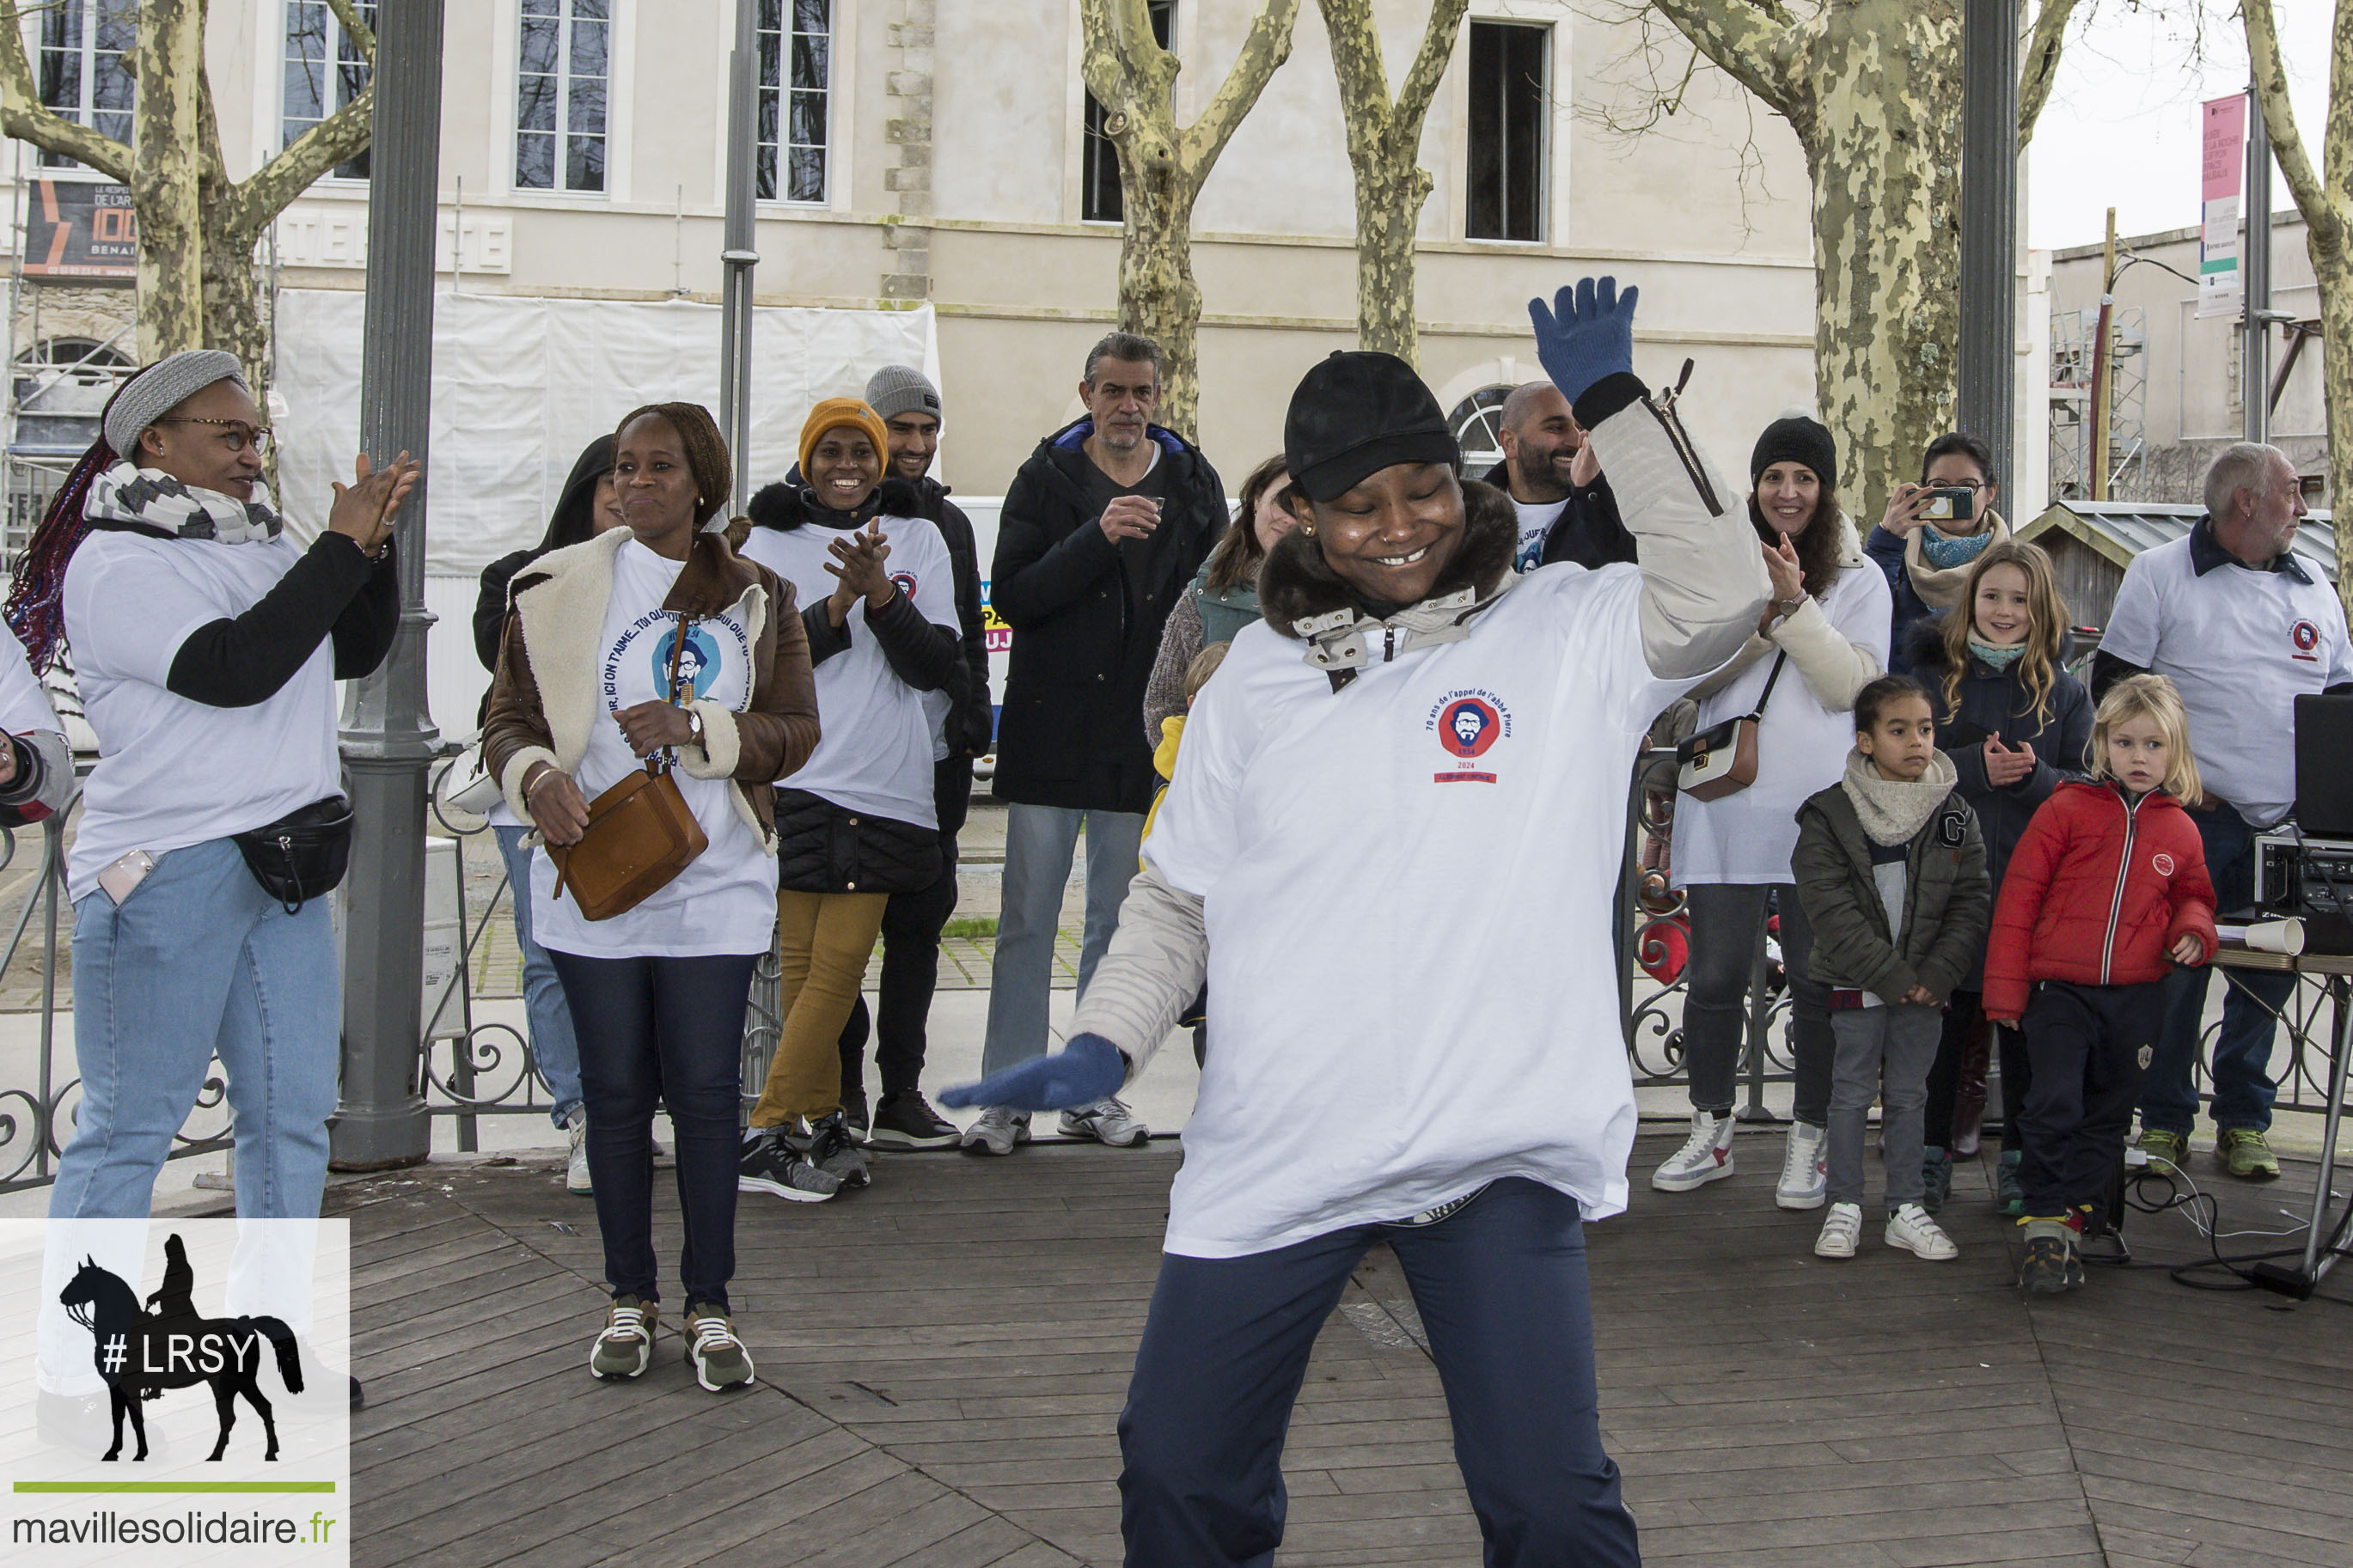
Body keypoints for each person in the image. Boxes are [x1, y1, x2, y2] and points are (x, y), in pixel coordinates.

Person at [943, 277, 1769, 1567]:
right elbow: (1179, 895)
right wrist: (1104, 1038)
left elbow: (1721, 594)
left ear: (1463, 478)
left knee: (1552, 1510)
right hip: (1281, 1153)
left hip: (1489, 1154)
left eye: (1422, 491)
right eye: (1358, 506)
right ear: (1309, 520)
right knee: (1176, 1479)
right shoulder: (1255, 680)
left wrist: (1615, 397)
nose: (1399, 528)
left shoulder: (1566, 629)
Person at [11, 350, 409, 1430]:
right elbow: (235, 667)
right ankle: (70, 1372)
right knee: (129, 1131)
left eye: (253, 435)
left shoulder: (263, 537)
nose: (251, 452)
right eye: (228, 435)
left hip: (280, 861)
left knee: (289, 1121)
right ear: (157, 441)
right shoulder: (114, 559)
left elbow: (347, 649)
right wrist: (335, 543)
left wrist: (376, 545)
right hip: (169, 874)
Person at [483, 401, 819, 1391]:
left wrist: (701, 727)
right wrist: (536, 775)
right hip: (596, 878)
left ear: (703, 484)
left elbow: (795, 732)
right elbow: (505, 715)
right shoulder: (551, 586)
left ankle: (709, 1304)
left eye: (660, 467)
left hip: (714, 880)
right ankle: (626, 1298)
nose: (636, 483)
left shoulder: (760, 595)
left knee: (710, 1099)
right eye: (624, 466)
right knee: (618, 1100)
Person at [970, 332, 1223, 1156]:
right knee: (1026, 920)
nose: (1127, 406)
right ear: (1086, 395)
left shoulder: (1193, 482)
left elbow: (1219, 594)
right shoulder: (1043, 479)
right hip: (1050, 735)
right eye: (1112, 391)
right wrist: (1096, 536)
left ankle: (1092, 1092)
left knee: (1119, 925)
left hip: (1142, 745)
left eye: (1141, 391)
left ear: (1159, 395)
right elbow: (1013, 595)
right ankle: (1007, 1097)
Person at [1651, 410, 1892, 1208]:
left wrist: (1795, 607)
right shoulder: (1719, 571)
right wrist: (1757, 615)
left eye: (1804, 478)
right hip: (1725, 805)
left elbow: (1853, 688)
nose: (1788, 492)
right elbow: (1685, 676)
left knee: (1820, 982)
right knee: (1715, 975)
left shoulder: (1861, 577)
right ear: (1754, 488)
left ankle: (1810, 1139)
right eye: (1774, 477)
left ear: (1825, 491)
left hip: (1819, 811)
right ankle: (1711, 1127)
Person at [2095, 442, 2353, 1180]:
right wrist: (2172, 776)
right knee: (2178, 973)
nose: (2302, 507)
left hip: (2292, 824)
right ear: (2246, 501)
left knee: (2271, 976)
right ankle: (2165, 1120)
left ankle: (2245, 1120)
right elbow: (2115, 683)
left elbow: (2340, 703)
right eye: (2292, 493)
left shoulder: (2316, 588)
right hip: (2194, 816)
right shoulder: (2160, 572)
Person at [736, 399, 964, 1195]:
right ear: (805, 459)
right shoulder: (766, 544)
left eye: (862, 452)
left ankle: (769, 1126)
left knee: (837, 967)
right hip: (796, 774)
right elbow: (757, 668)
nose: (849, 465)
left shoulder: (920, 537)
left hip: (888, 783)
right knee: (802, 968)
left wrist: (881, 596)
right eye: (831, 450)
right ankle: (814, 1120)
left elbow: (935, 664)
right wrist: (834, 608)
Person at [1984, 674, 2217, 1293]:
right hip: (2059, 992)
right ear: (2103, 744)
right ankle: (2041, 1223)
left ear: (2177, 752)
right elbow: (2018, 900)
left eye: (2154, 745)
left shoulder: (2182, 830)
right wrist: (2005, 992)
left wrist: (2195, 928)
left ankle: (2074, 1222)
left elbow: (2196, 895)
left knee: (2108, 1117)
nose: (2139, 757)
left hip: (2138, 998)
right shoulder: (2065, 806)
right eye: (2125, 742)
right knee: (2052, 1102)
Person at [826, 365, 993, 1151]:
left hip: (935, 760)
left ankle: (901, 1090)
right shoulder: (827, 518)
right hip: (854, 765)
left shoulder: (948, 525)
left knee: (919, 929)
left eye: (928, 430)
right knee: (843, 933)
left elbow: (964, 623)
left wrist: (974, 711)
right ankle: (841, 1090)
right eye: (902, 430)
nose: (916, 446)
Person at [1903, 540, 2092, 1215]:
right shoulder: (1933, 678)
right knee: (1942, 1031)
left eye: (2019, 600)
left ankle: (2022, 1160)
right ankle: (1925, 1160)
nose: (2004, 611)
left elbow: (2088, 785)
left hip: (2030, 891)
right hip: (1946, 886)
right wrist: (1973, 769)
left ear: (2041, 610)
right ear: (1970, 601)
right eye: (1992, 596)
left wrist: (2039, 779)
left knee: (2024, 1036)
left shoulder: (2066, 693)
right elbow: (1900, 766)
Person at [1790, 675, 1989, 1262]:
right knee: (1849, 1093)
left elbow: (1971, 899)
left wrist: (1939, 971)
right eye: (1898, 730)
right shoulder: (1829, 814)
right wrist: (1896, 978)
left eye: (1925, 729)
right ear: (1866, 740)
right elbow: (1829, 908)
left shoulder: (1954, 812)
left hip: (1927, 988)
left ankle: (1906, 1206)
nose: (1916, 742)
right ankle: (1844, 1204)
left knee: (1910, 1095)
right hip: (1860, 981)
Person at [472, 434, 626, 1194]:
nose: (628, 501)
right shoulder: (517, 576)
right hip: (535, 791)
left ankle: (627, 1106)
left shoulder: (666, 581)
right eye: (613, 487)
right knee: (547, 955)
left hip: (632, 795)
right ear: (583, 495)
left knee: (630, 949)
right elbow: (499, 667)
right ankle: (581, 1116)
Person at [1141, 455, 1291, 742]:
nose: (1288, 519)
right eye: (1282, 503)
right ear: (1258, 498)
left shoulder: (1341, 591)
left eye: (1304, 509)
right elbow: (1163, 705)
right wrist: (1185, 769)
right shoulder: (1207, 592)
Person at [1865, 431, 2011, 671]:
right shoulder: (1899, 550)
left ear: (1991, 492)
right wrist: (1888, 538)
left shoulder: (2011, 563)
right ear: (1923, 490)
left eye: (1967, 487)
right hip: (1905, 699)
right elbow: (1865, 611)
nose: (1952, 497)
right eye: (1940, 486)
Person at [1480, 379, 1634, 571]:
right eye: (1556, 428)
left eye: (1579, 427)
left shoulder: (1617, 513)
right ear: (1509, 442)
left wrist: (1592, 496)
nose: (1575, 440)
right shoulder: (1469, 517)